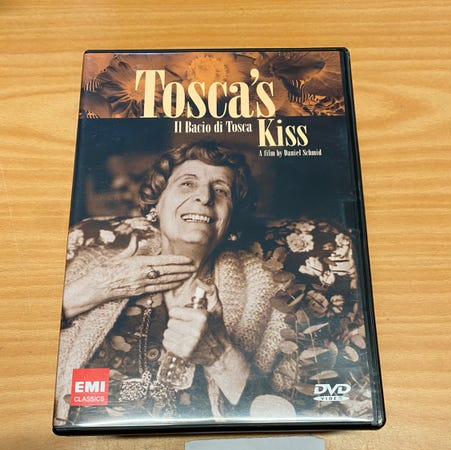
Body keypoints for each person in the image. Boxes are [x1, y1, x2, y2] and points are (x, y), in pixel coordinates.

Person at [54, 140, 287, 426]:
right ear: (156, 205)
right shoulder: (92, 268)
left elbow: (282, 414)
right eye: (187, 184)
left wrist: (220, 355)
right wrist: (89, 290)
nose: (204, 197)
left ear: (231, 221)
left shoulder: (264, 292)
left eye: (221, 190)